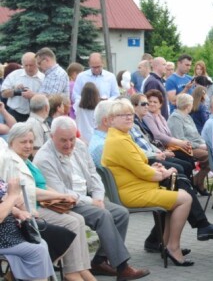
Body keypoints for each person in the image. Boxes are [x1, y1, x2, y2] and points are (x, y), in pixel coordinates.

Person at [33, 117, 150, 280]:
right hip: (66, 203)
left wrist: (98, 197)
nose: (68, 144)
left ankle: (99, 261)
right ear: (52, 137)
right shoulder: (44, 158)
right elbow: (61, 193)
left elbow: (93, 174)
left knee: (121, 213)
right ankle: (122, 267)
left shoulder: (80, 146)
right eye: (63, 140)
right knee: (103, 216)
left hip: (88, 197)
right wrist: (92, 202)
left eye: (71, 139)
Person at [101, 99, 194, 267]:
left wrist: (156, 168)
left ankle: (166, 245)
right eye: (122, 115)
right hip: (134, 193)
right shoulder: (119, 141)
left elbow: (139, 165)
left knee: (177, 197)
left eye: (130, 114)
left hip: (137, 188)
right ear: (111, 119)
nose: (129, 117)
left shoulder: (122, 136)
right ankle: (173, 247)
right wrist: (164, 172)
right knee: (185, 199)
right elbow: (143, 172)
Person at [5, 123, 96, 281]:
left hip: (39, 205)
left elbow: (40, 184)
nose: (28, 146)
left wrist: (59, 195)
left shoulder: (26, 160)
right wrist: (60, 196)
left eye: (31, 141)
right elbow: (28, 191)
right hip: (29, 209)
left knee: (79, 219)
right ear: (12, 142)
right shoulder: (10, 161)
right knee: (71, 222)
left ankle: (81, 268)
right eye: (23, 142)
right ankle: (72, 272)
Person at [0, 174, 55, 281]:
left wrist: (18, 211)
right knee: (37, 250)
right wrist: (12, 196)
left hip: (10, 233)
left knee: (40, 243)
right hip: (3, 240)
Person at [168, 94, 211, 195]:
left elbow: (196, 135)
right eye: (191, 103)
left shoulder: (187, 117)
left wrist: (203, 143)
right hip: (184, 148)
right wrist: (199, 146)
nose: (193, 105)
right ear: (188, 106)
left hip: (195, 145)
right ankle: (197, 182)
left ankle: (197, 181)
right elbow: (180, 139)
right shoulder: (175, 118)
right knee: (210, 157)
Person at [1, 52, 43, 122]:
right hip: (14, 113)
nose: (28, 68)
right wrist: (15, 91)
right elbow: (3, 93)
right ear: (22, 64)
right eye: (26, 65)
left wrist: (33, 96)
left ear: (37, 64)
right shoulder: (14, 75)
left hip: (35, 115)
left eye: (31, 65)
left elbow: (48, 98)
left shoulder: (43, 78)